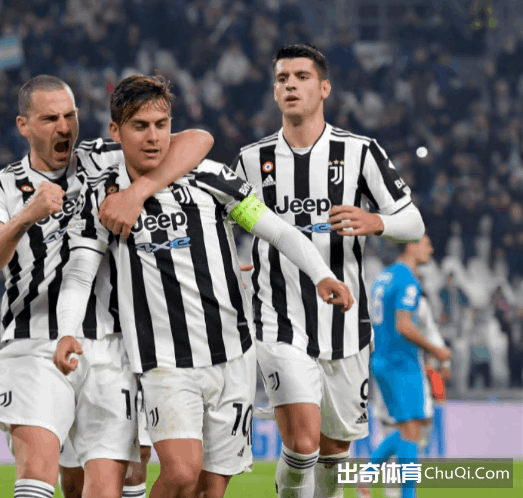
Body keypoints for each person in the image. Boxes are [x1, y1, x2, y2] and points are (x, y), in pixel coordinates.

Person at [54, 74, 353, 498]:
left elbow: (277, 230)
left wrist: (321, 273)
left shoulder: (209, 177)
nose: (153, 137)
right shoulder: (104, 196)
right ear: (115, 132)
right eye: (140, 126)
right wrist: (67, 330)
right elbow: (80, 273)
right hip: (163, 360)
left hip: (233, 354)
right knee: (180, 472)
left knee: (211, 489)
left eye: (161, 125)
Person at [0, 74, 214, 498]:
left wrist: (137, 192)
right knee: (38, 471)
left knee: (101, 485)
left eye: (70, 116)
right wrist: (26, 215)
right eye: (50, 119)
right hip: (35, 341)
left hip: (111, 346)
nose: (64, 127)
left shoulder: (103, 158)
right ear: (23, 125)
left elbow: (198, 140)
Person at [231, 44, 426, 498]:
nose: (291, 85)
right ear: (274, 91)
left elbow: (413, 222)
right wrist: (227, 263)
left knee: (334, 455)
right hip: (279, 320)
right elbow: (219, 222)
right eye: (283, 78)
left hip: (346, 326)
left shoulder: (359, 152)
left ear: (324, 88)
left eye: (301, 76)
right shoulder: (250, 160)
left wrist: (376, 222)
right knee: (302, 443)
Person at [368, 236, 451, 498]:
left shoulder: (383, 277)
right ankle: (405, 494)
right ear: (411, 246)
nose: (431, 249)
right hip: (402, 363)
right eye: (426, 244)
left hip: (381, 360)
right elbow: (403, 325)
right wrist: (436, 350)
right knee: (413, 432)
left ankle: (367, 475)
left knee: (412, 427)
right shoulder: (407, 280)